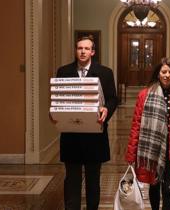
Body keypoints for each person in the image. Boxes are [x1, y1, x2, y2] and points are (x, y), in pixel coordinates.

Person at [51, 36, 118, 210]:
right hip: (71, 136)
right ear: (76, 50)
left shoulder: (105, 72)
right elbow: (57, 98)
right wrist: (54, 113)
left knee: (93, 180)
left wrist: (106, 110)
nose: (82, 51)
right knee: (71, 179)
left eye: (86, 49)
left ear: (93, 52)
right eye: (80, 48)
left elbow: (112, 99)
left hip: (95, 136)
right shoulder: (63, 71)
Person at [126, 58, 170, 210]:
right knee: (154, 188)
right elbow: (136, 124)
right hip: (152, 151)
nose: (167, 75)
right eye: (163, 72)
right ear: (158, 74)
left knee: (168, 190)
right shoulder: (145, 95)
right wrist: (131, 154)